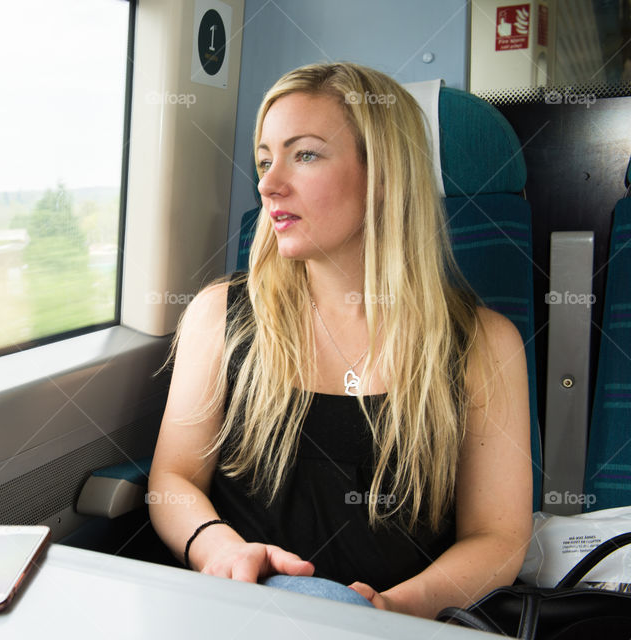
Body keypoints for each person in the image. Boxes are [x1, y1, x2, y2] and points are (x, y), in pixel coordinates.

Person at [147, 62, 533, 619]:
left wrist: (391, 609)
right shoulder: (217, 315)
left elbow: (497, 539)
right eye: (264, 160)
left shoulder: (484, 345)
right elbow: (173, 477)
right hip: (238, 612)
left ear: (381, 176)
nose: (268, 183)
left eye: (304, 155)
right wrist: (223, 551)